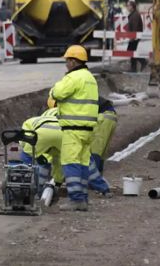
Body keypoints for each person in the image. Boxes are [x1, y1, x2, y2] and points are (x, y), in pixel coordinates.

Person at [48, 45, 98, 211]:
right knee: (83, 164)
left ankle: (76, 199)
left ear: (73, 61)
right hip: (88, 130)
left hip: (73, 129)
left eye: (67, 61)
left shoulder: (73, 77)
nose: (66, 64)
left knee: (70, 163)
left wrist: (55, 88)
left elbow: (57, 93)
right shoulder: (90, 77)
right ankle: (82, 198)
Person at [89, 98, 118, 197]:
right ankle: (99, 179)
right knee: (101, 153)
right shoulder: (85, 93)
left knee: (94, 151)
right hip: (111, 117)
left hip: (102, 118)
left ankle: (96, 183)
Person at [125, 1, 147, 72]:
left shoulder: (135, 15)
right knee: (132, 51)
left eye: (128, 6)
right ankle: (134, 68)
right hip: (134, 36)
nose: (127, 7)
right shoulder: (133, 14)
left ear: (132, 6)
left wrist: (132, 37)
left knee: (130, 51)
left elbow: (134, 27)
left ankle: (142, 61)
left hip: (135, 37)